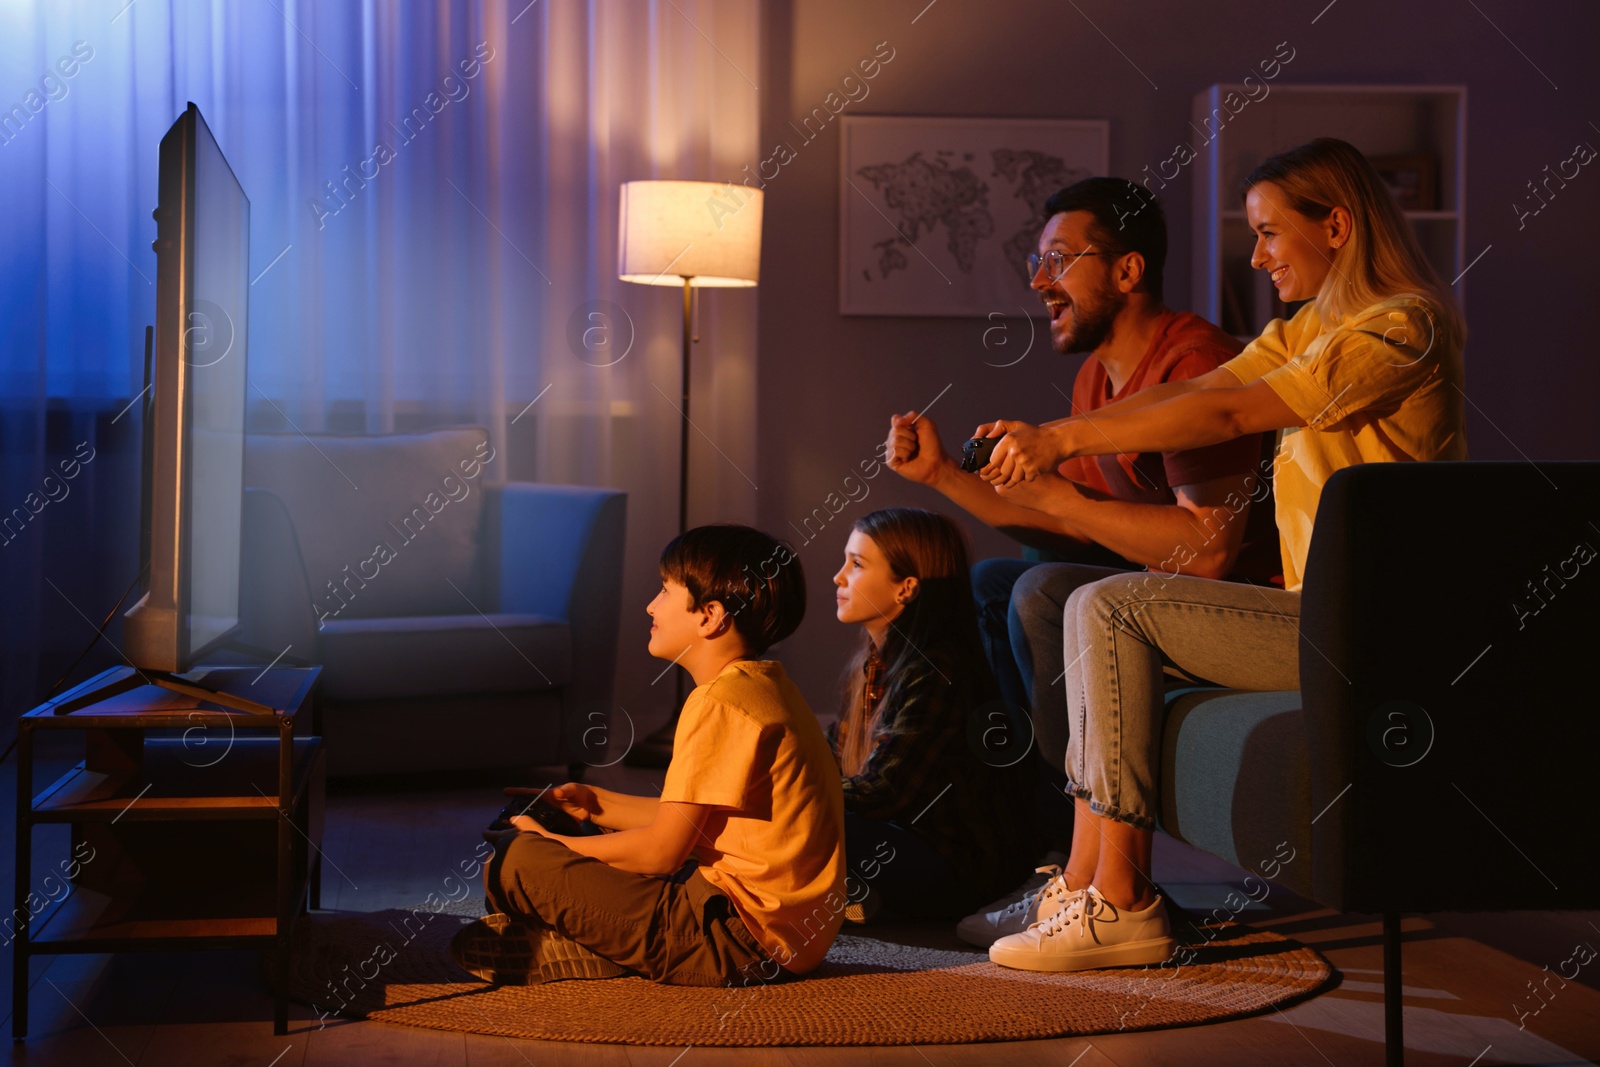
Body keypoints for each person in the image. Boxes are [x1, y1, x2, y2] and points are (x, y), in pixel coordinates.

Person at [973, 137, 1466, 971]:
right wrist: (1054, 440)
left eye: (1271, 232)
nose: (1257, 254)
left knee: (1111, 598)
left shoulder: (1400, 327)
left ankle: (1124, 902)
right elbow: (1203, 391)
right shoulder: (1310, 326)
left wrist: (1060, 441)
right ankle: (1093, 882)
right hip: (1318, 613)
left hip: (1376, 634)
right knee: (1093, 598)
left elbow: (1235, 418)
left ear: (1337, 226)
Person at [885, 177, 1279, 943]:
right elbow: (1053, 509)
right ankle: (1050, 854)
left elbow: (1208, 554)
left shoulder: (1193, 359)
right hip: (1151, 597)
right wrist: (940, 474)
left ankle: (1092, 873)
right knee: (997, 582)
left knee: (1038, 589)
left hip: (1225, 609)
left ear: (1128, 271)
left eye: (1059, 260)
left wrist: (1062, 492)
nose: (1039, 282)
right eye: (1037, 262)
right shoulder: (1098, 377)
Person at [452, 525, 847, 986]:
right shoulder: (765, 688)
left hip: (737, 941)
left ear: (710, 616)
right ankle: (596, 936)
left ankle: (596, 942)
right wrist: (596, 804)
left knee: (512, 863)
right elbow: (695, 821)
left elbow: (662, 853)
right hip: (781, 934)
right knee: (564, 827)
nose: (650, 605)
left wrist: (550, 845)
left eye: (664, 591)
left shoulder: (717, 703)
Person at [826, 508, 1038, 920]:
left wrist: (788, 797)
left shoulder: (937, 669)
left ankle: (859, 898)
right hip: (900, 843)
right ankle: (852, 899)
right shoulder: (872, 667)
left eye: (856, 564)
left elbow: (885, 794)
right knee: (784, 818)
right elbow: (828, 756)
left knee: (805, 824)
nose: (839, 577)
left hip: (952, 866)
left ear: (905, 588)